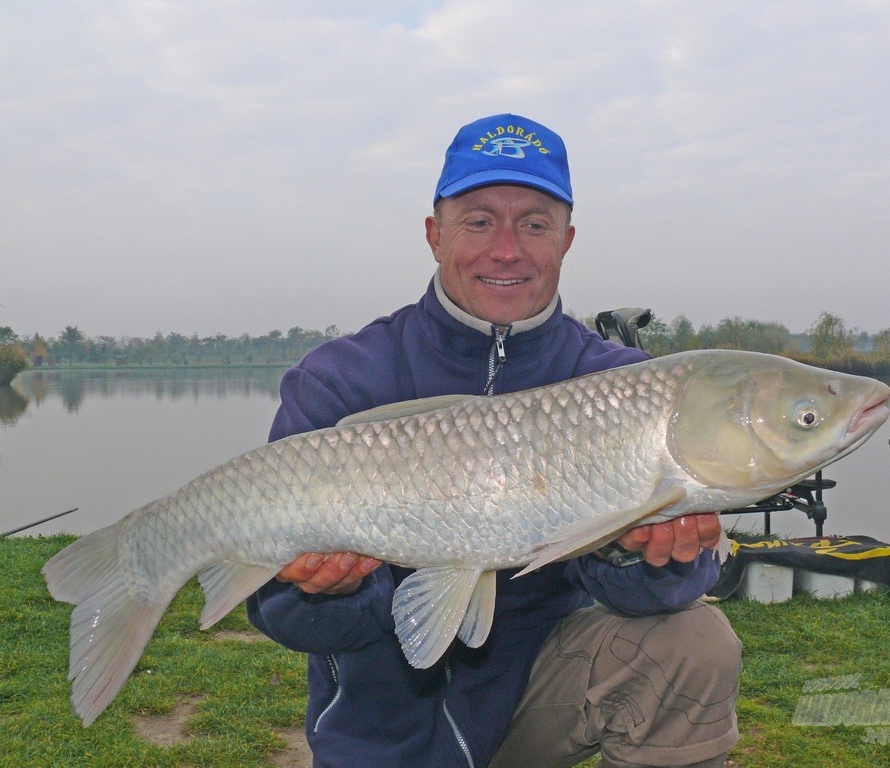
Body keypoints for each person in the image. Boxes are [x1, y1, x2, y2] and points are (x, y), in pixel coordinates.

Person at [247, 113, 741, 768]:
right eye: (479, 221)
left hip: (535, 700)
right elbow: (277, 609)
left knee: (696, 642)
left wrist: (643, 554)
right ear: (434, 234)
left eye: (534, 224)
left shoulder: (624, 388)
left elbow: (658, 596)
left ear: (567, 239)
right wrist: (334, 590)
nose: (506, 249)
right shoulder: (342, 382)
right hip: (376, 734)